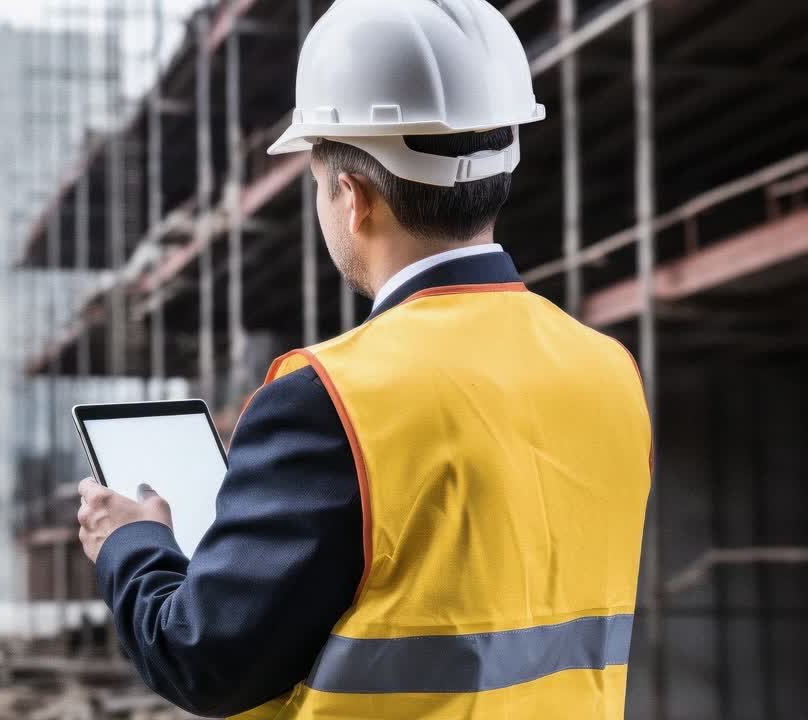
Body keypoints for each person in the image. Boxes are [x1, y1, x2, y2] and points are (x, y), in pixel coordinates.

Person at [76, 1, 651, 717]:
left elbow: (202, 660)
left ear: (351, 197)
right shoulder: (609, 371)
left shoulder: (329, 398)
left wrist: (132, 544)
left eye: (317, 183)